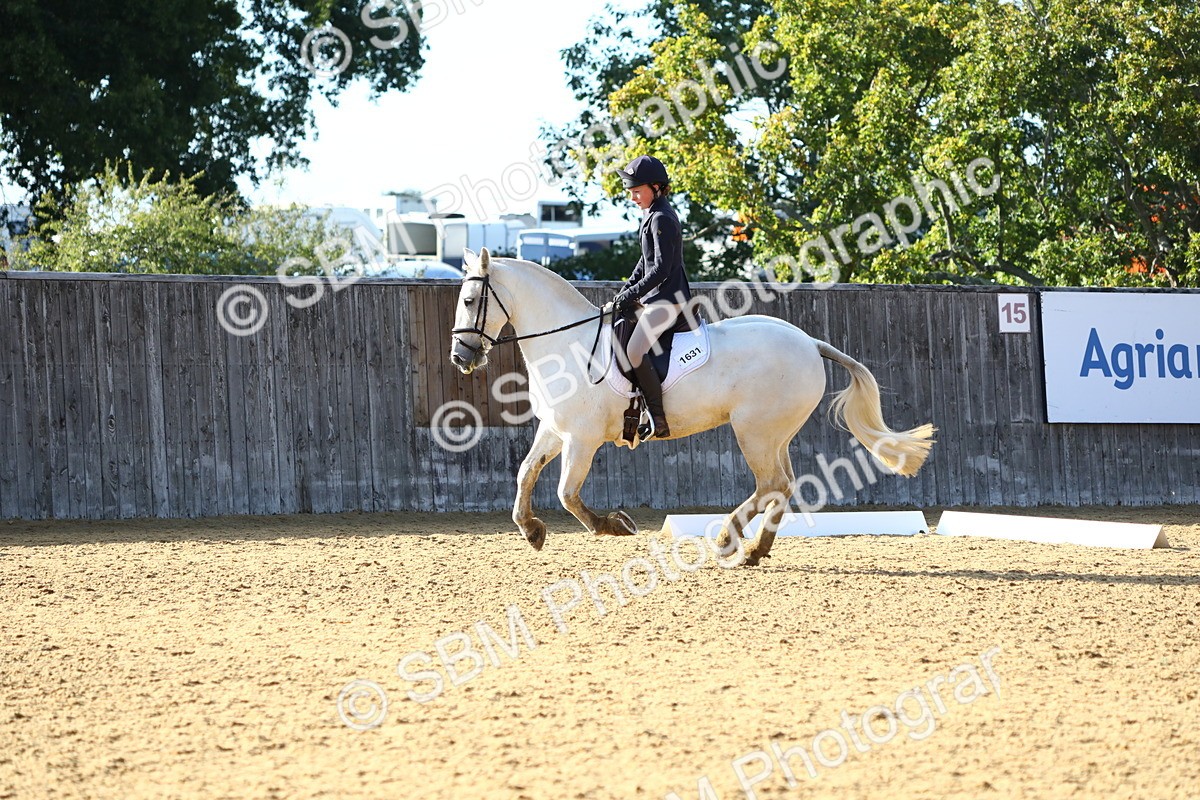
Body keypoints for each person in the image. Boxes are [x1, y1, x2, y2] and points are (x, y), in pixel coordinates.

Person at [607, 155, 693, 439]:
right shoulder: (651, 216)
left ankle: (658, 418)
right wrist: (623, 294)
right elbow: (643, 264)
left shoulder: (662, 219)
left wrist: (633, 294)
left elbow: (661, 269)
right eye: (630, 191)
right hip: (656, 297)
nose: (632, 197)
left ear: (656, 187)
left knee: (634, 351)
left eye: (637, 191)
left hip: (669, 299)